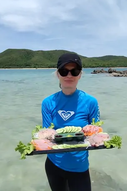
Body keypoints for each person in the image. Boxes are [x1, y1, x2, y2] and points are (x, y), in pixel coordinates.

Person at [41, 53, 101, 191]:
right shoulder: (48, 103)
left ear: (80, 74)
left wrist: (96, 139)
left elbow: (96, 131)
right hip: (54, 165)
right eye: (64, 71)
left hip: (79, 167)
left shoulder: (91, 102)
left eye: (74, 71)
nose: (69, 75)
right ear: (58, 74)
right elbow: (46, 133)